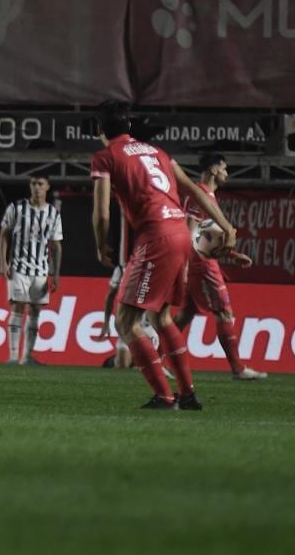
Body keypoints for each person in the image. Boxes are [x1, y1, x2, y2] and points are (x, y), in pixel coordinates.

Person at [91, 102, 236, 410]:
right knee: (161, 316)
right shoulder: (157, 152)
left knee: (125, 321)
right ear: (129, 127)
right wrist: (227, 226)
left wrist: (100, 243)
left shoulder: (105, 157)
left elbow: (102, 213)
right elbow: (195, 192)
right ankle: (187, 394)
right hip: (182, 234)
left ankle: (164, 395)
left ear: (99, 130)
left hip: (156, 236)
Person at [173, 153, 266, 381]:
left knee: (186, 314)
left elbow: (205, 237)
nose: (226, 173)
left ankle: (153, 357)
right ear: (214, 170)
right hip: (202, 264)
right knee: (224, 312)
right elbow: (190, 231)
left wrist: (232, 255)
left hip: (201, 261)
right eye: (224, 168)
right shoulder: (199, 194)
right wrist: (184, 266)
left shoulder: (208, 196)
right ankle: (238, 369)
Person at [0, 175, 63, 365]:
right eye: (33, 184)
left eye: (40, 184)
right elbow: (3, 235)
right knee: (17, 306)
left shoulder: (53, 213)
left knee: (35, 310)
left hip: (41, 270)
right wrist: (3, 262)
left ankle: (26, 356)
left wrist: (56, 274)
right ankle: (12, 356)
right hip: (18, 267)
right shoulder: (16, 208)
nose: (36, 187)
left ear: (47, 187)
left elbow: (56, 245)